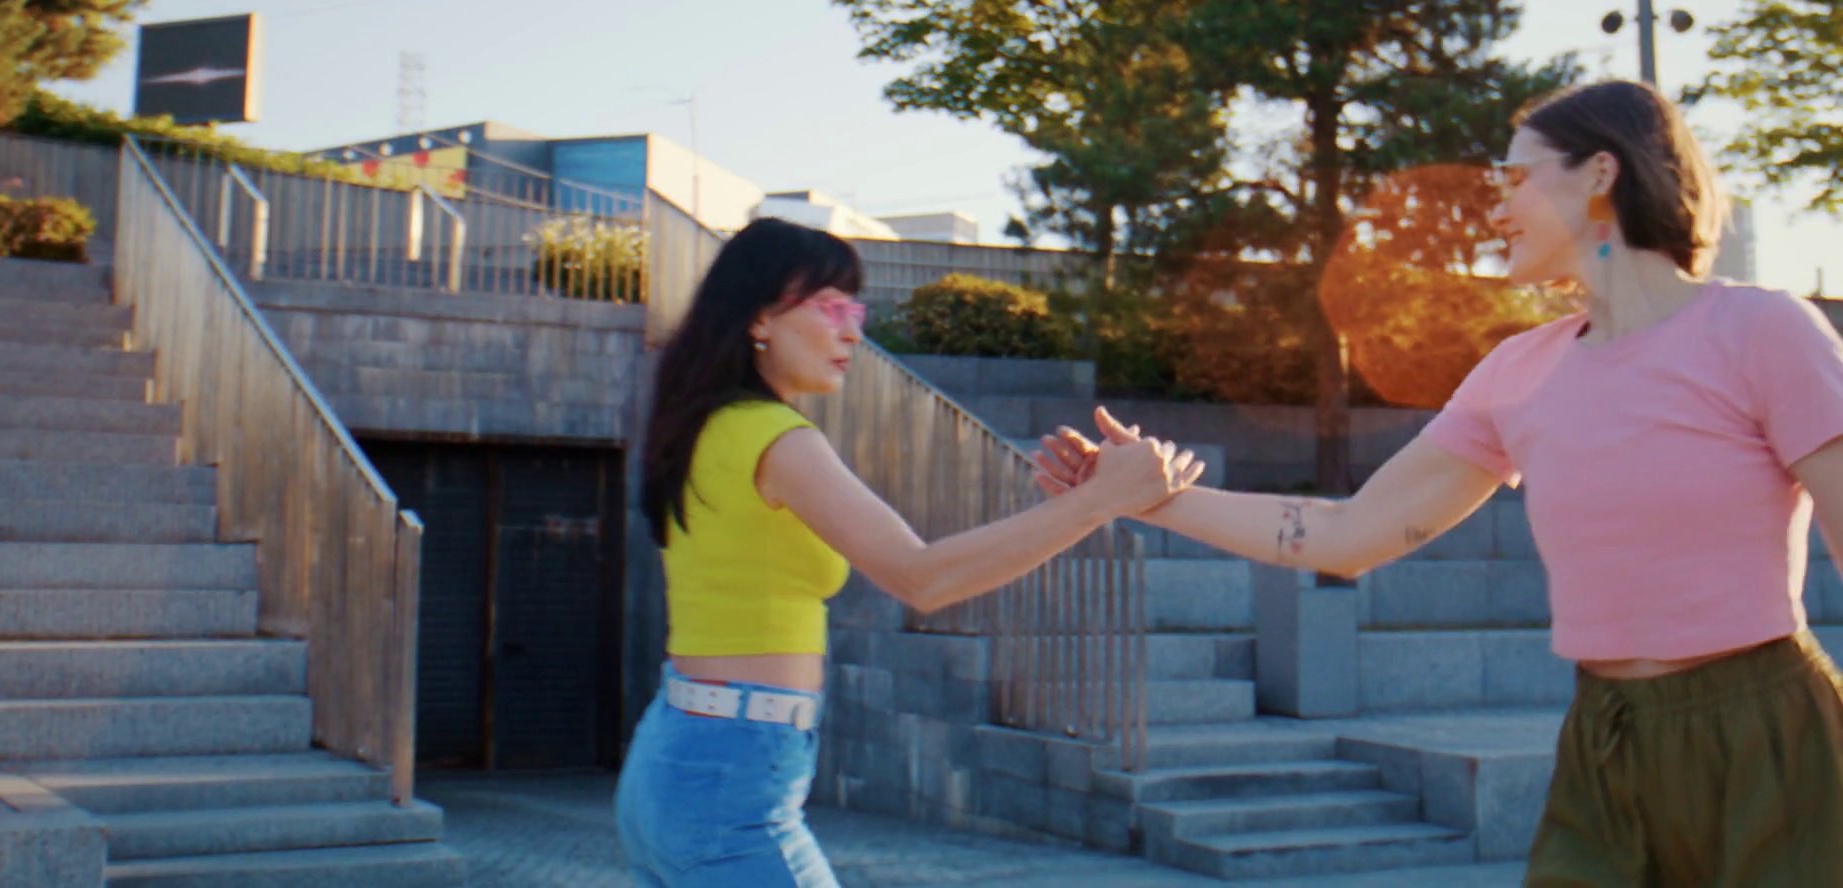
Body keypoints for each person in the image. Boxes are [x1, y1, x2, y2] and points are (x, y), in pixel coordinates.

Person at [1035, 80, 1843, 886]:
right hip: (1603, 743)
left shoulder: (1762, 331)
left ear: (1601, 174)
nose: (1497, 209)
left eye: (1516, 178)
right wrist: (1148, 497)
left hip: (1768, 735)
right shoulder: (1518, 372)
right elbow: (1350, 534)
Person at [614, 217, 1202, 888]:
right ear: (759, 317)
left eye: (855, 310)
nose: (852, 332)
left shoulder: (707, 426)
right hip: (730, 782)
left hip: (678, 756)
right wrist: (1099, 502)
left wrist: (1092, 502)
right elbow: (922, 577)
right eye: (830, 307)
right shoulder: (776, 438)